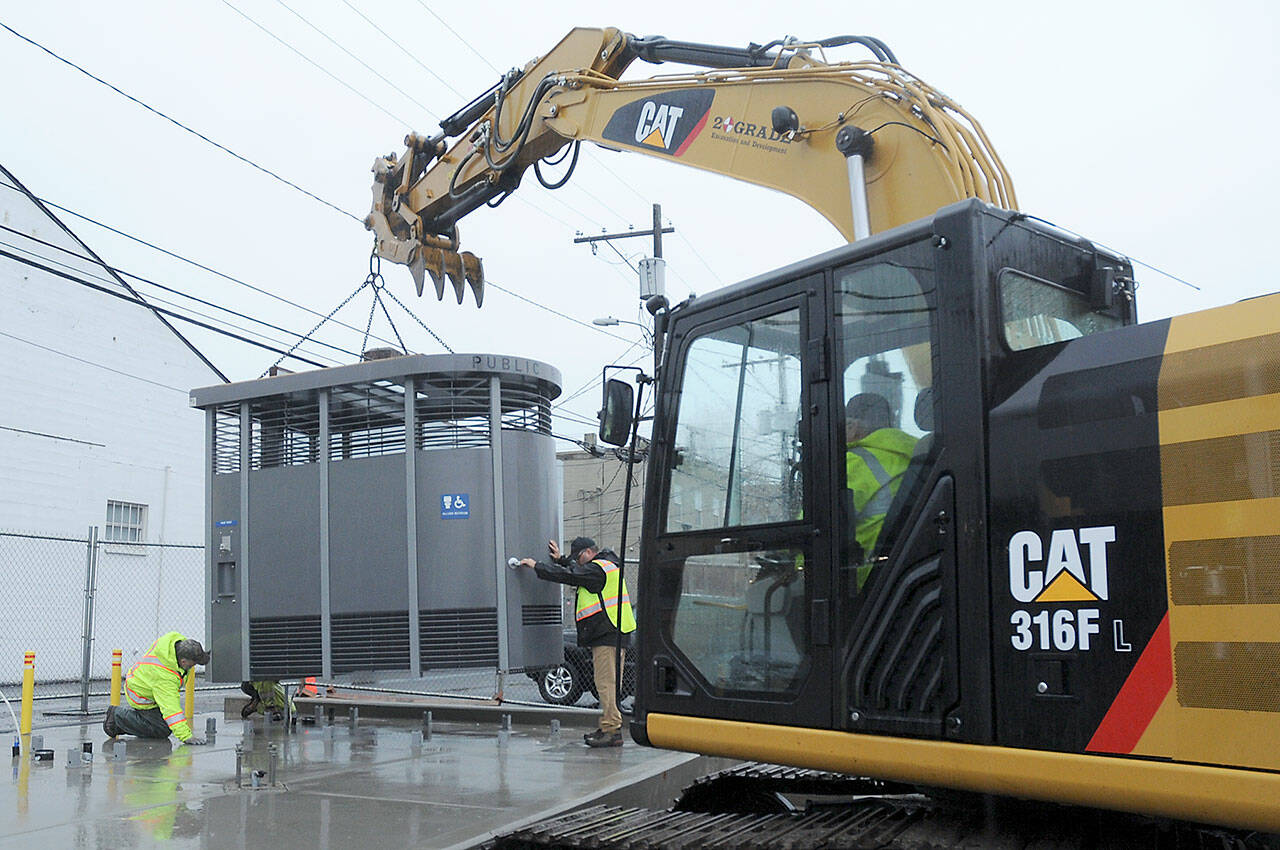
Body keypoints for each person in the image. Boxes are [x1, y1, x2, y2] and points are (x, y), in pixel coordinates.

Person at [520, 536, 635, 748]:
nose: (578, 561)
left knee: (606, 684)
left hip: (607, 635)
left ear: (588, 552)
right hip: (615, 633)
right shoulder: (607, 565)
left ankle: (611, 731)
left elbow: (571, 575)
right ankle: (610, 727)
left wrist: (538, 566)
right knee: (610, 684)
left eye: (579, 557)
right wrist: (562, 559)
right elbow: (574, 569)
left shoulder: (597, 569)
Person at [845, 393, 918, 583]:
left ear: (853, 426)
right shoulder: (912, 455)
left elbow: (820, 522)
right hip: (901, 569)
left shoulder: (854, 462)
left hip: (864, 580)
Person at [102, 631, 208, 745]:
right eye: (192, 665)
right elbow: (171, 709)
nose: (192, 668)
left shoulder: (172, 644)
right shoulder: (165, 677)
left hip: (143, 681)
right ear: (183, 661)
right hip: (140, 695)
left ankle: (125, 720)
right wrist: (186, 737)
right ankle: (117, 717)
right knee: (162, 729)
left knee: (163, 722)